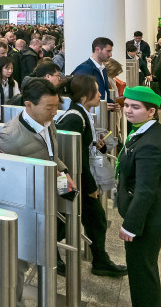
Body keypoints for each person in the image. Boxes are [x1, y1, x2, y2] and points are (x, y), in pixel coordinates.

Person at [0, 78, 73, 306]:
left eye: (56, 105)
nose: (54, 112)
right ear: (28, 105)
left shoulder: (47, 122)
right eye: (49, 107)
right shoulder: (10, 136)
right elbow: (5, 179)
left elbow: (50, 153)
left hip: (43, 202)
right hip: (21, 208)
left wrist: (63, 171)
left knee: (33, 255)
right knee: (15, 263)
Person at [117, 86, 161, 307]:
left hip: (151, 218)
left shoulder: (150, 145)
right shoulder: (146, 130)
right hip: (152, 212)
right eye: (126, 105)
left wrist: (131, 225)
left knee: (141, 274)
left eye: (135, 107)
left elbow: (145, 190)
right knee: (144, 269)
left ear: (151, 111)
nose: (128, 110)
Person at [55, 75, 127, 277]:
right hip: (73, 179)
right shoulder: (74, 118)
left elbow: (81, 149)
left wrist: (97, 145)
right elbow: (71, 156)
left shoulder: (81, 114)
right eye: (96, 91)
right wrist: (89, 188)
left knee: (79, 218)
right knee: (69, 218)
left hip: (76, 178)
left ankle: (99, 260)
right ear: (85, 96)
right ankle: (54, 255)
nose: (99, 94)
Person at [71, 37, 121, 112]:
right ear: (97, 49)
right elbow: (78, 93)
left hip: (102, 116)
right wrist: (99, 106)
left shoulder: (103, 69)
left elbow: (105, 93)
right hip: (91, 115)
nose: (110, 54)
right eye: (108, 51)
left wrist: (112, 105)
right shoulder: (85, 68)